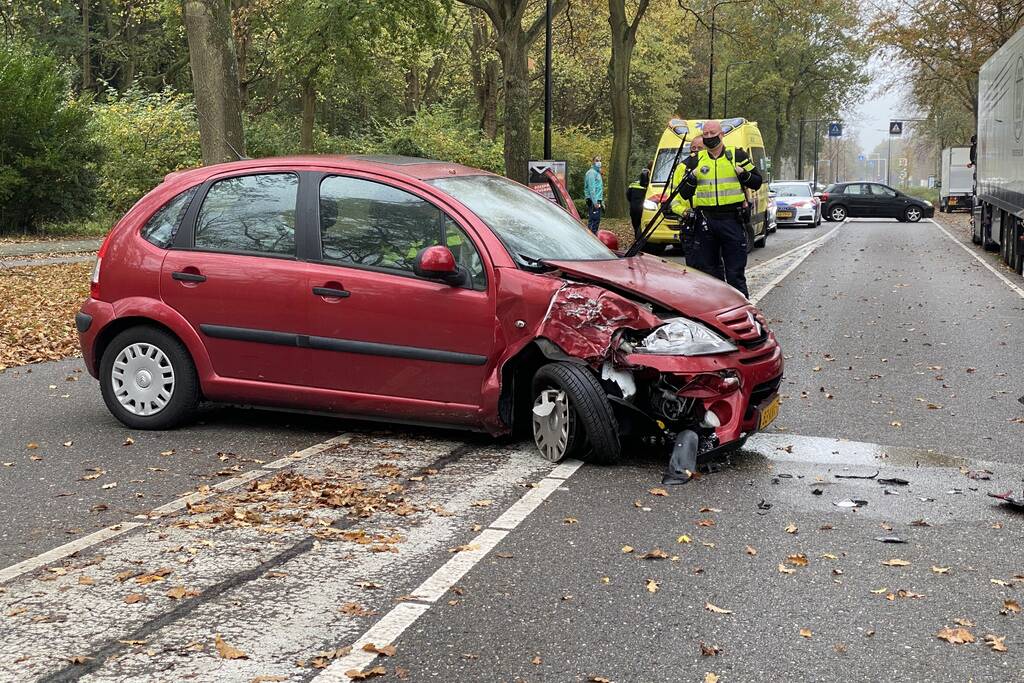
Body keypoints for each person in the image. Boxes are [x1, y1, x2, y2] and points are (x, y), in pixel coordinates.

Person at [675, 120, 762, 297]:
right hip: (706, 221)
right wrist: (692, 177)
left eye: (712, 133)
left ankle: (742, 313)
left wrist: (743, 174)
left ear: (721, 135)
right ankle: (716, 314)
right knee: (710, 273)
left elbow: (757, 181)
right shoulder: (696, 160)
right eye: (705, 134)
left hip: (732, 220)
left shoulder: (736, 155)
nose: (709, 137)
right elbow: (683, 193)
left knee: (735, 272)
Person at [671, 136, 705, 268]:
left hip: (710, 220)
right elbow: (674, 198)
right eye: (693, 148)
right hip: (689, 221)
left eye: (700, 148)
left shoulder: (713, 166)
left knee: (712, 266)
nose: (695, 151)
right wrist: (683, 212)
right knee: (692, 266)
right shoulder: (682, 168)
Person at [626, 162, 652, 240]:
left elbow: (628, 196)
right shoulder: (650, 185)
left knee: (636, 225)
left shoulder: (633, 184)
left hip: (634, 208)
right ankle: (640, 242)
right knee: (641, 226)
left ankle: (637, 240)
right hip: (644, 209)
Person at [584, 156, 604, 233]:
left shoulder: (597, 173)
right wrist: (595, 202)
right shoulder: (591, 173)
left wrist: (601, 201)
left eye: (600, 160)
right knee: (594, 220)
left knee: (596, 220)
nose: (599, 162)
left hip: (597, 200)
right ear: (593, 162)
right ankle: (591, 239)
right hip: (593, 200)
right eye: (597, 160)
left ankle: (592, 237)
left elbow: (599, 188)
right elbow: (591, 189)